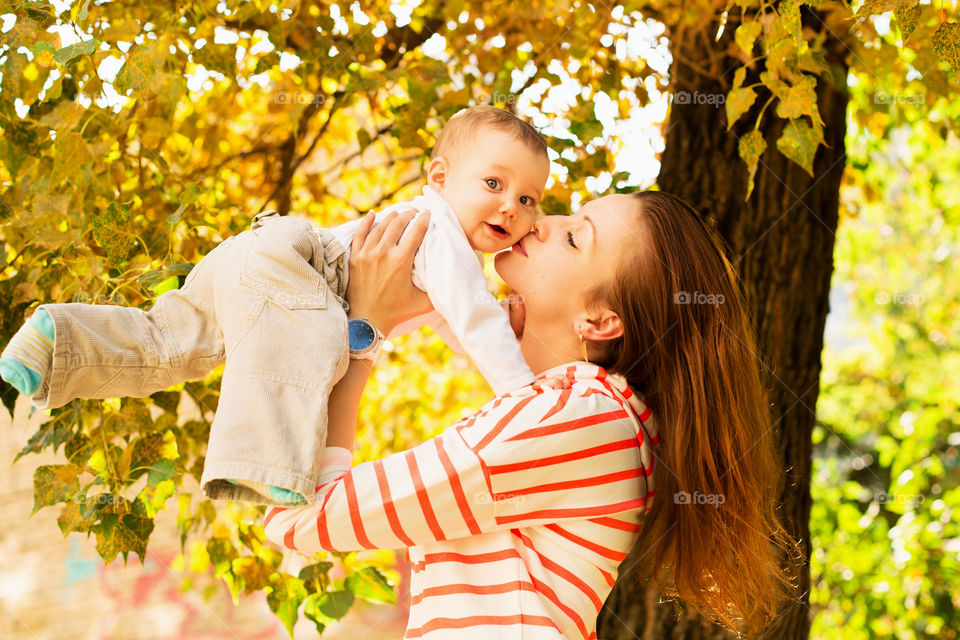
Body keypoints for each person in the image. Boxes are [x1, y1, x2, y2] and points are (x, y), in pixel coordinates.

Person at [263, 192, 797, 639]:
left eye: (573, 237)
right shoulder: (598, 421)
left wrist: (363, 330)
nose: (542, 223)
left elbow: (298, 516)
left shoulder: (579, 423)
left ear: (600, 319)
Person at [0, 106, 550, 506]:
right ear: (440, 177)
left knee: (169, 342)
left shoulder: (445, 250)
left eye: (527, 199)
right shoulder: (443, 234)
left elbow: (462, 329)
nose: (510, 206)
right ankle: (267, 471)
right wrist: (525, 396)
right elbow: (475, 322)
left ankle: (54, 341)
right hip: (304, 268)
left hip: (253, 252)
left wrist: (511, 330)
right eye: (494, 183)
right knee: (297, 359)